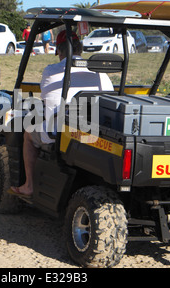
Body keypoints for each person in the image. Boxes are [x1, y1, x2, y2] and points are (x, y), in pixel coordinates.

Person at [8, 30, 114, 199]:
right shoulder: (100, 73)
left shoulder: (51, 71)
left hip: (62, 131)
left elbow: (46, 101)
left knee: (29, 133)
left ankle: (29, 186)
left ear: (59, 50)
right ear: (79, 49)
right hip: (94, 130)